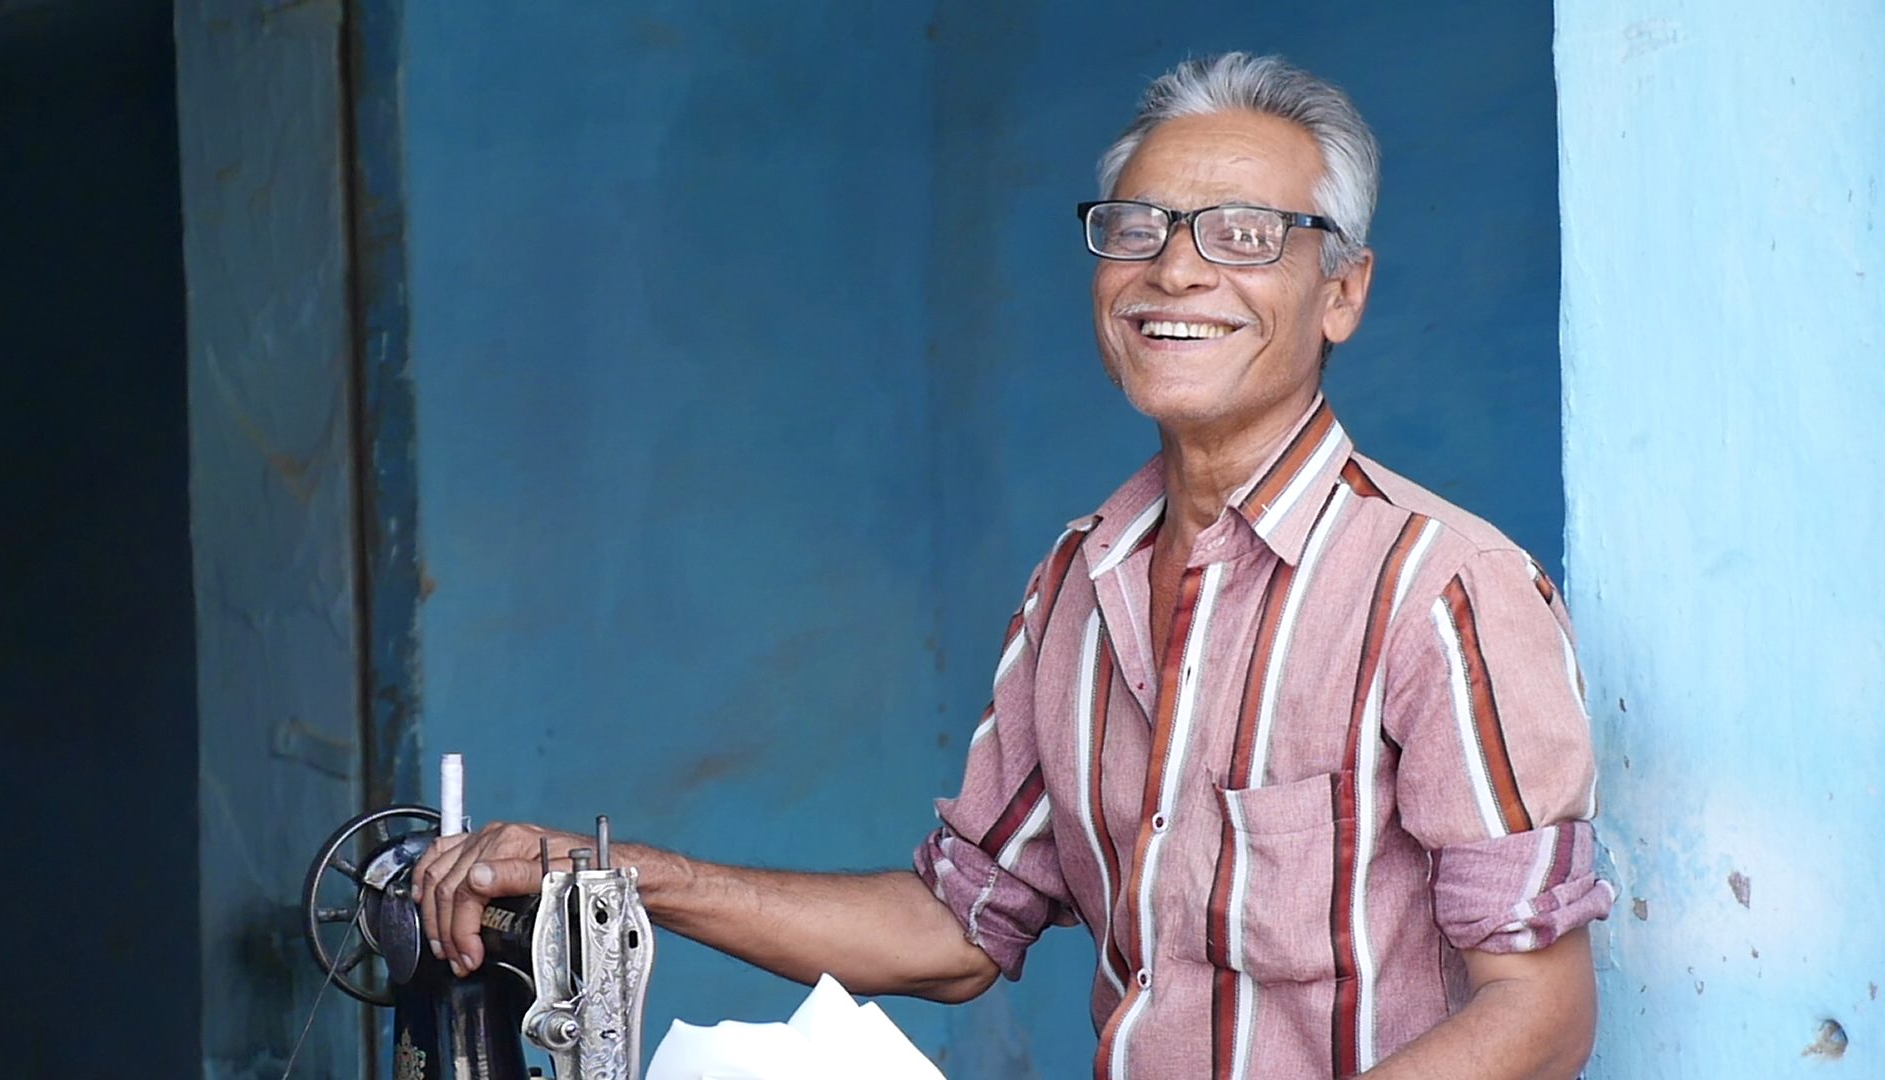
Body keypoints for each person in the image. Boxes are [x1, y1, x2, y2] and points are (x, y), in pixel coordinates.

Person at [414, 52, 1614, 1080]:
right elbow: (955, 929)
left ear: (1340, 291)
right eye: (1136, 229)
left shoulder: (1441, 588)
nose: (1176, 273)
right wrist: (617, 875)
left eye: (1244, 236)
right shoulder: (1079, 591)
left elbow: (1541, 1015)